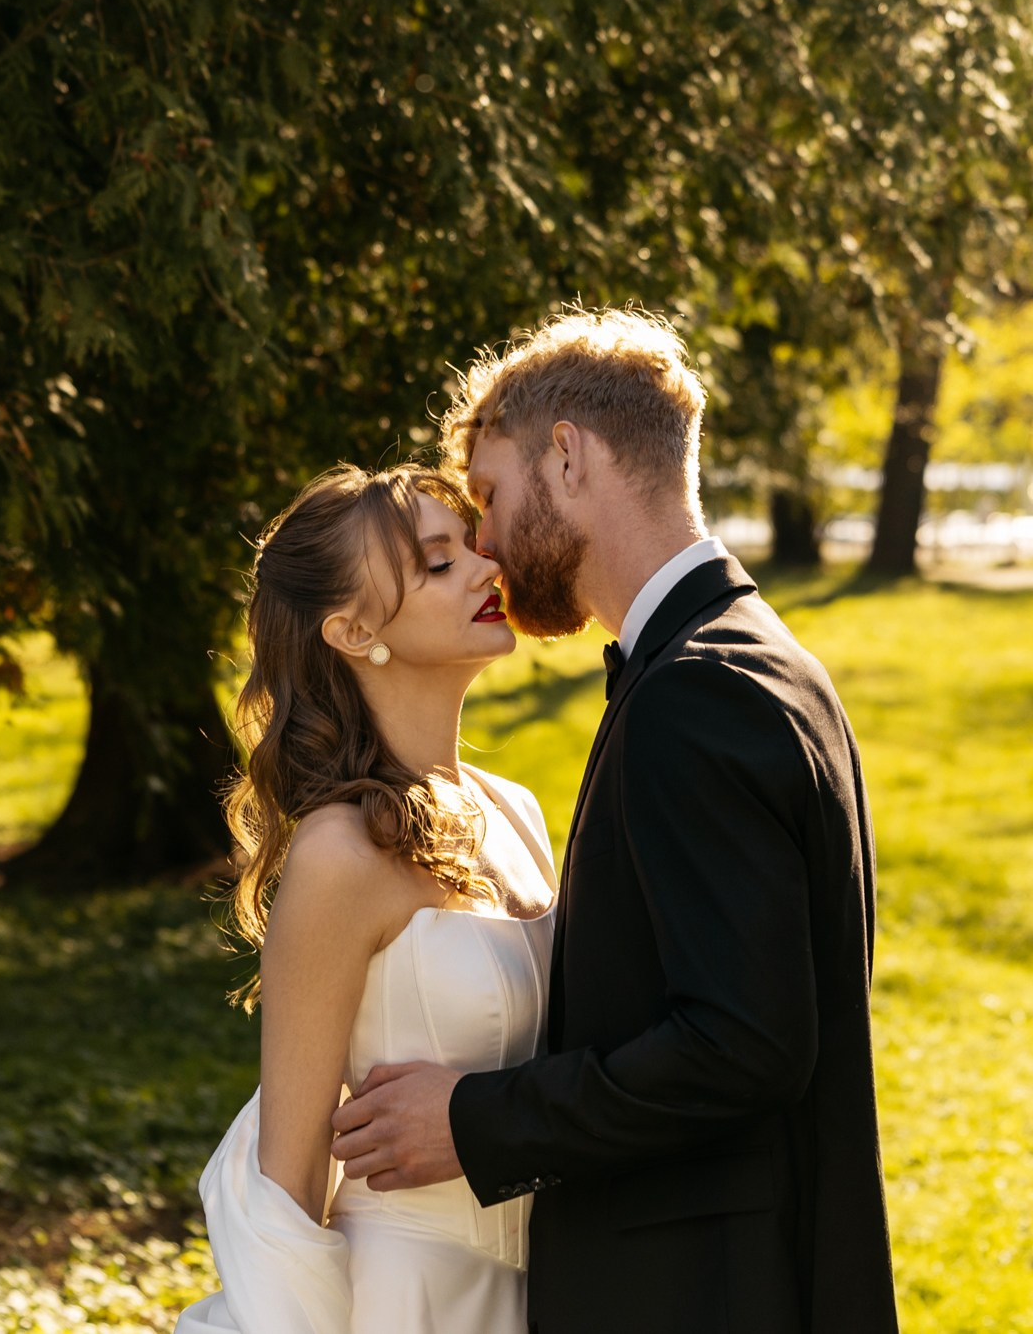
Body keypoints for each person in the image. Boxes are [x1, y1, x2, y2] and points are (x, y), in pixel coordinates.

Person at [327, 308, 899, 1334]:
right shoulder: (757, 657)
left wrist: (475, 1120)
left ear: (568, 455)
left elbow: (742, 1044)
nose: (487, 540)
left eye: (490, 495)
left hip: (700, 1298)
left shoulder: (695, 692)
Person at [178, 462, 559, 1334]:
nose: (486, 566)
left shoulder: (519, 811)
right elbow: (287, 1180)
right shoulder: (339, 854)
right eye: (439, 562)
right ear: (352, 631)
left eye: (471, 545)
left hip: (540, 1289)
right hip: (400, 1297)